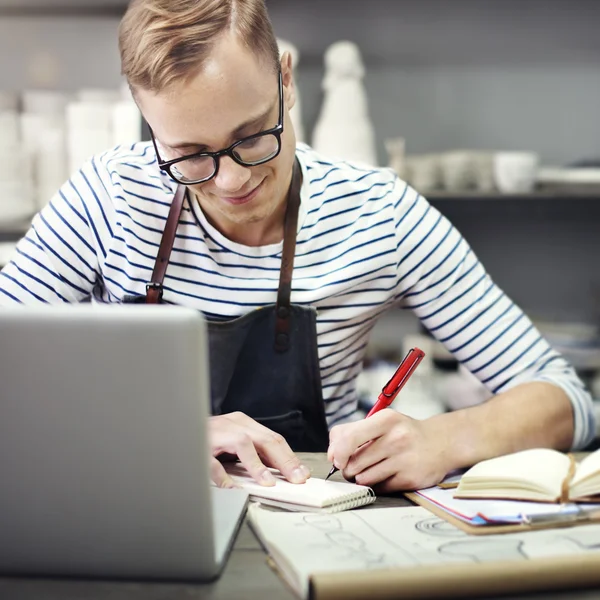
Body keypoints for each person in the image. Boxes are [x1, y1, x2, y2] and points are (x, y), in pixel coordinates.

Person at [0, 0, 595, 492]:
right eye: (188, 154)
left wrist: (446, 438)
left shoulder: (379, 214)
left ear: (285, 80)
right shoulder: (111, 196)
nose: (232, 180)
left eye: (251, 136)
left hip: (317, 519)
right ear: (146, 120)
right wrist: (165, 436)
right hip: (129, 511)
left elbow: (568, 398)